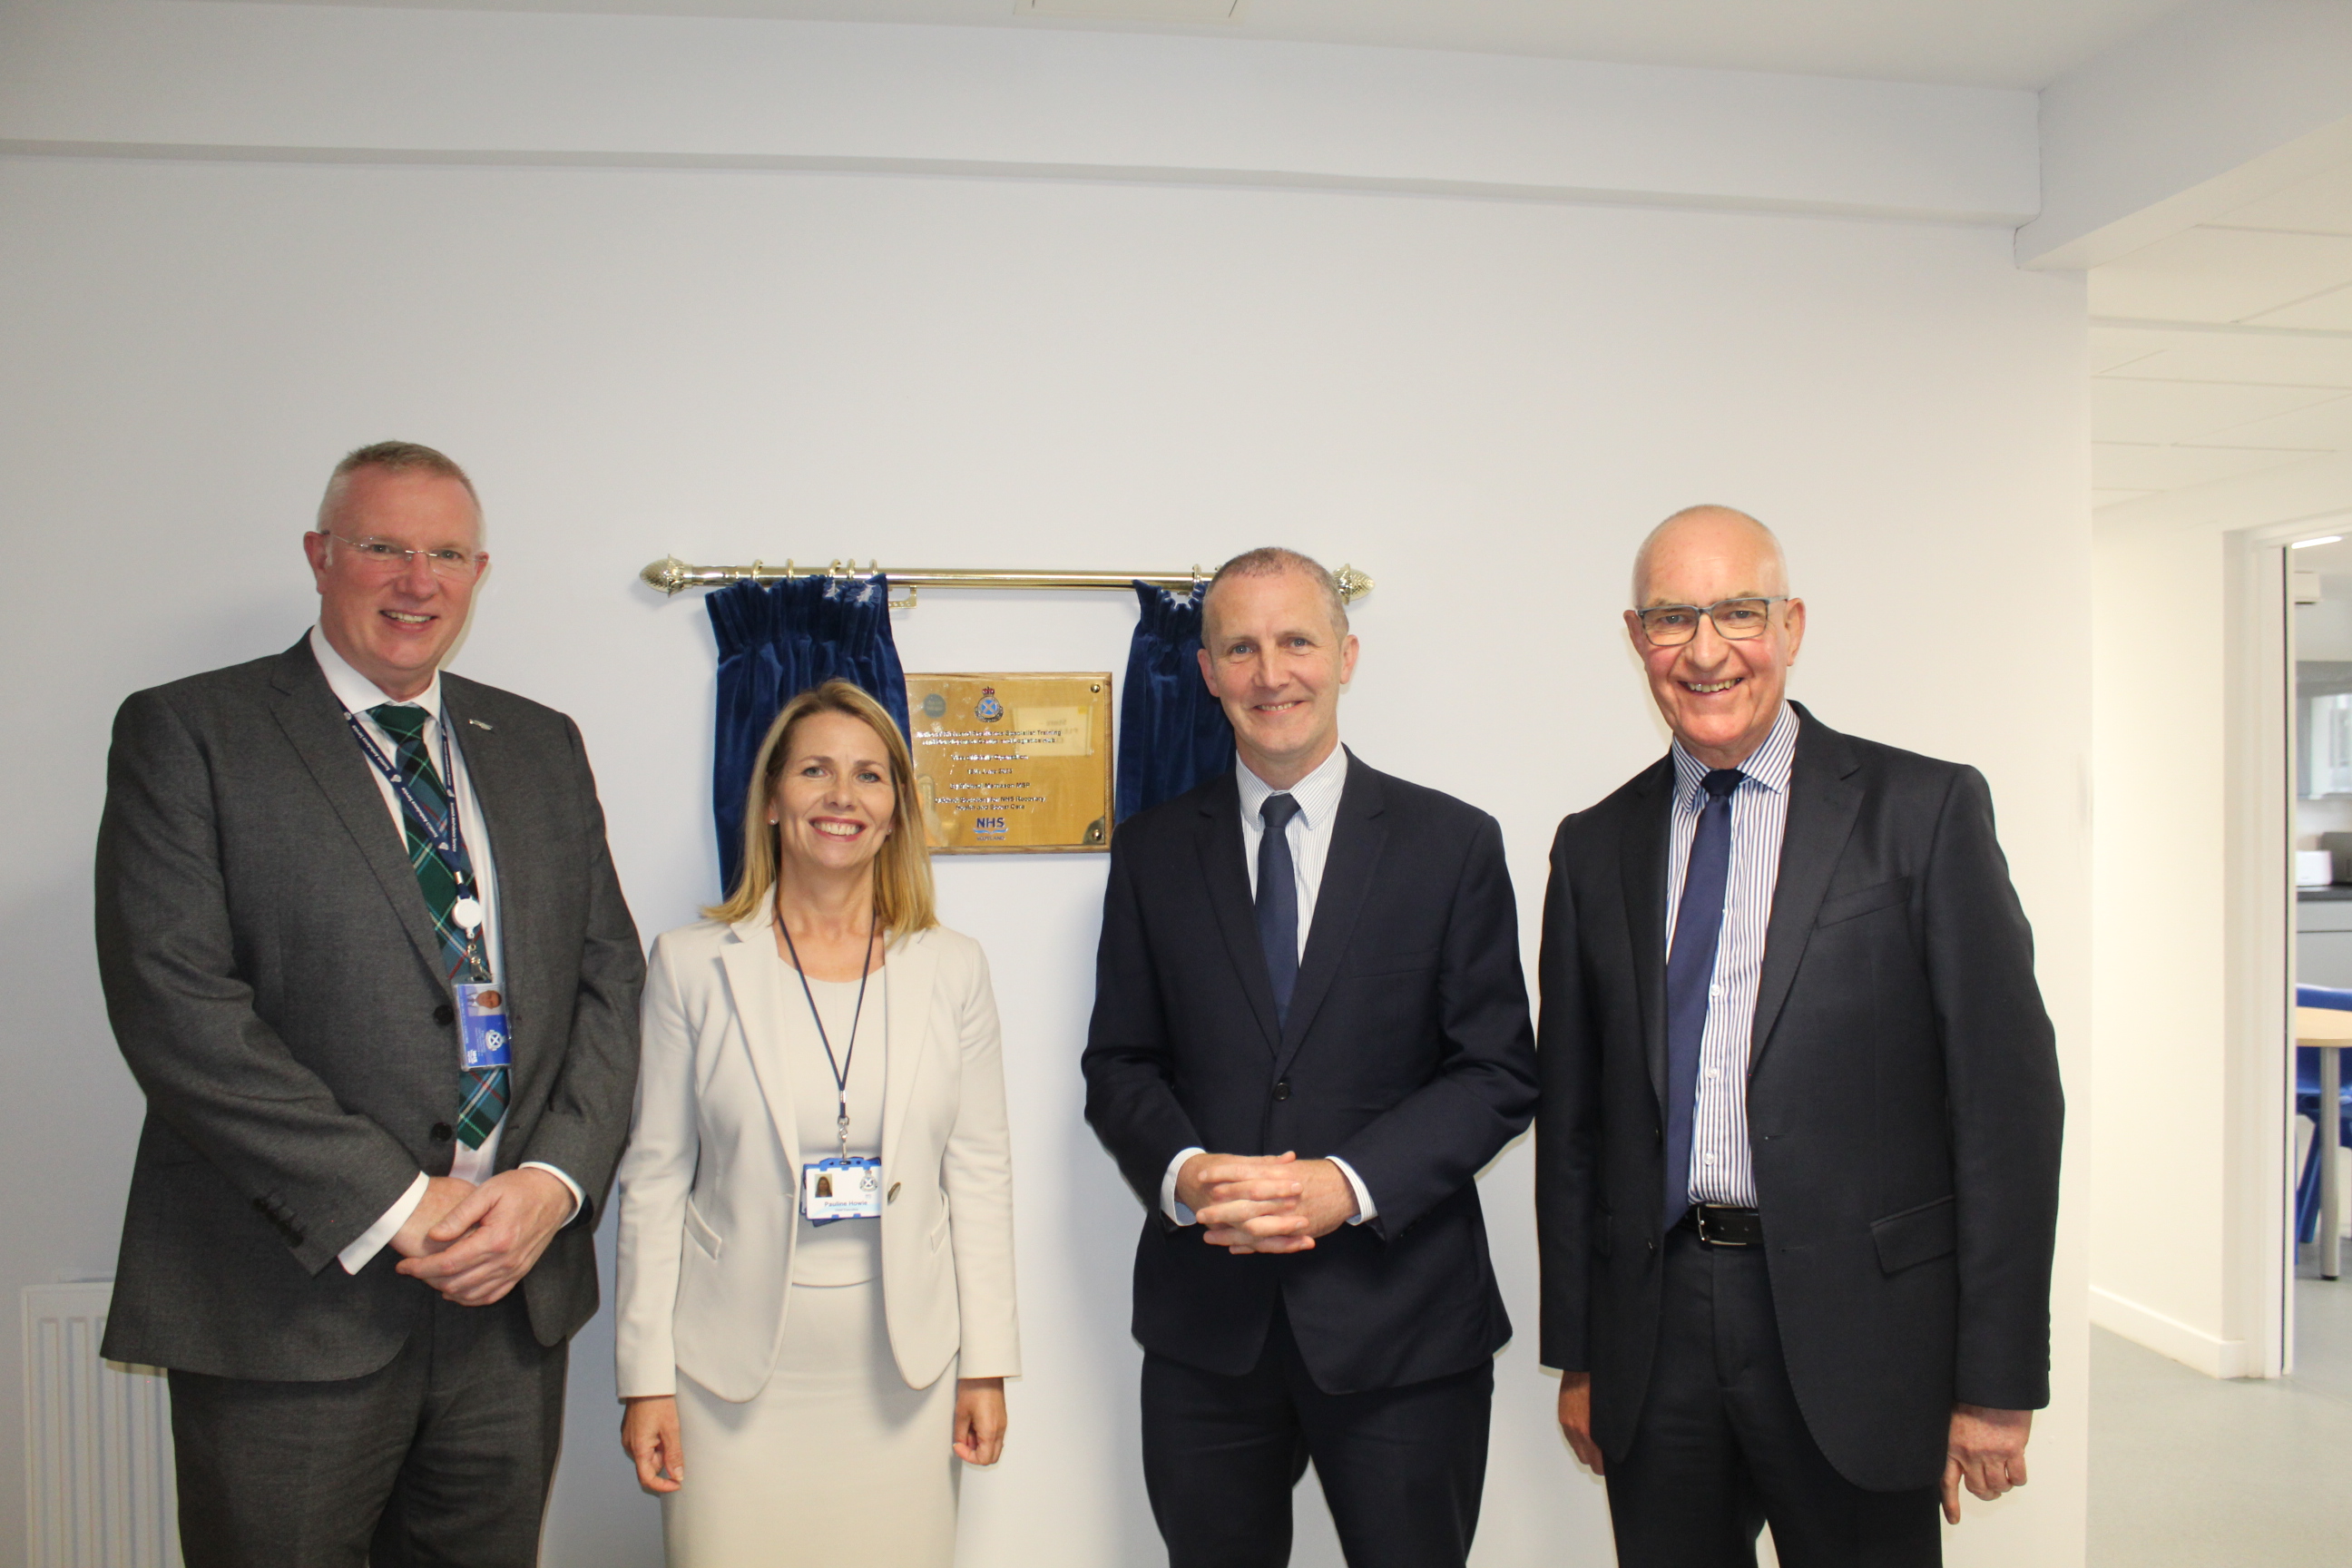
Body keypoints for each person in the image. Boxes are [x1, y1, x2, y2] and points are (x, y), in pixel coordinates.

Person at [93, 441, 644, 1565]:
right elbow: (178, 1009)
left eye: (445, 553)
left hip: (509, 1299)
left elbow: (609, 982)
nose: (416, 579)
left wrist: (550, 1187)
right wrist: (402, 1203)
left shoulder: (538, 744)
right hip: (288, 1305)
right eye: (384, 546)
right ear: (320, 556)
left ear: (479, 573)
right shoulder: (193, 733)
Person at [1535, 505, 2064, 1566]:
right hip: (1661, 1332)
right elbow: (1575, 1124)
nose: (1708, 649)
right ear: (1638, 637)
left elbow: (2006, 1109)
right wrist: (1582, 1355)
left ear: (1793, 623)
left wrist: (1997, 1381)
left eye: (1740, 611)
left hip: (1863, 1333)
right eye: (1675, 618)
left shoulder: (1922, 813)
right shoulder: (1595, 847)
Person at [1082, 547, 1538, 1568]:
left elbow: (1498, 1069)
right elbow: (1120, 1064)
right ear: (1206, 672)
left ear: (1346, 655)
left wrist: (1350, 1184)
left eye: (1296, 641)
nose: (1269, 673)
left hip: (1405, 1329)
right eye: (1239, 647)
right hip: (1208, 1337)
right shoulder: (1152, 852)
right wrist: (1186, 1176)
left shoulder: (1450, 844)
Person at [615, 679, 1018, 1565]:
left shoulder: (953, 969)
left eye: (870, 776)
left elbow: (980, 1174)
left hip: (903, 1381)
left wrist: (986, 1362)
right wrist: (644, 1382)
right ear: (770, 801)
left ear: (895, 812)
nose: (843, 795)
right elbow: (652, 1182)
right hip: (728, 1383)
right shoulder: (691, 966)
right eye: (815, 771)